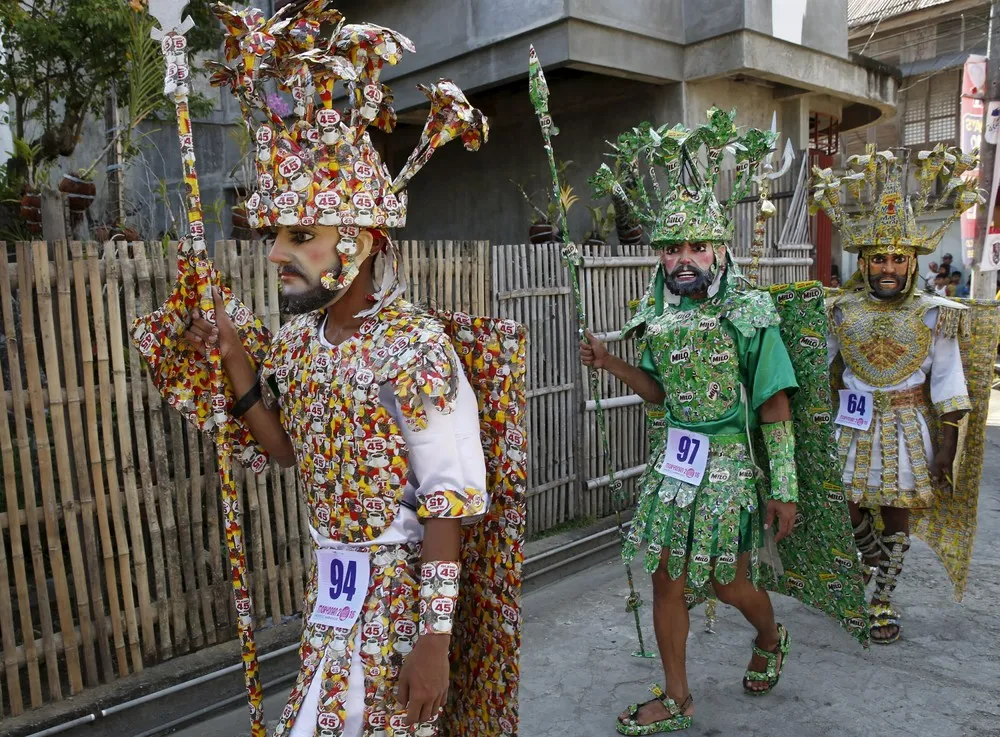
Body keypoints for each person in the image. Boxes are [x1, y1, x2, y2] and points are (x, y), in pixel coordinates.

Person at [134, 5, 525, 737]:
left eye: (299, 235)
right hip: (331, 603)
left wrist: (435, 641)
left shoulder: (416, 350)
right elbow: (285, 447)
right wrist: (234, 359)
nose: (277, 254)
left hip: (397, 607)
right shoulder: (299, 341)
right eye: (276, 235)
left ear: (361, 239)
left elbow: (449, 504)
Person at [588, 110, 868, 735]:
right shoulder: (654, 319)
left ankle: (769, 636)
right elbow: (659, 394)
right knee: (665, 578)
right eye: (671, 248)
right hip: (674, 465)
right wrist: (610, 363)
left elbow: (773, 405)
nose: (683, 258)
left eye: (695, 246)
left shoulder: (750, 311)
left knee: (726, 584)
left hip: (730, 469)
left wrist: (787, 488)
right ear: (660, 255)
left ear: (718, 249)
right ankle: (679, 697)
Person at [814, 145, 982, 645]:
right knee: (845, 503)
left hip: (908, 426)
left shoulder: (936, 313)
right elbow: (826, 366)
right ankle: (870, 560)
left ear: (912, 264)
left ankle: (883, 597)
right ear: (863, 263)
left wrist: (948, 447)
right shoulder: (840, 309)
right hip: (852, 422)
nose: (888, 268)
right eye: (878, 258)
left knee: (895, 513)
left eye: (897, 259)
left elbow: (949, 381)